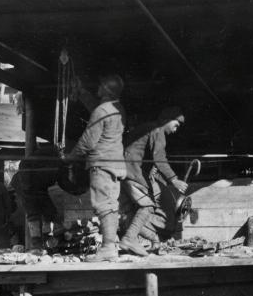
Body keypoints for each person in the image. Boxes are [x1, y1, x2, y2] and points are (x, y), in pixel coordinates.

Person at [64, 74, 127, 261]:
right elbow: (97, 110)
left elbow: (88, 141)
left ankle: (108, 248)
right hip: (116, 163)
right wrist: (82, 92)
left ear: (106, 90)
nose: (97, 88)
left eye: (100, 85)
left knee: (103, 206)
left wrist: (70, 156)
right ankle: (111, 246)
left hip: (101, 164)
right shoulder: (117, 108)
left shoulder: (102, 111)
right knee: (111, 205)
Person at [119, 107, 189, 256]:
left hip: (120, 171)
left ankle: (153, 240)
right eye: (175, 125)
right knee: (148, 205)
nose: (175, 130)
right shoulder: (158, 130)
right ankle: (129, 239)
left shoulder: (147, 128)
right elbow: (159, 158)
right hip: (131, 171)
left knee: (129, 215)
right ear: (166, 120)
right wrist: (174, 180)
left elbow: (138, 150)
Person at [10, 145, 64, 249]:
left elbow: (62, 182)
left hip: (39, 187)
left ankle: (49, 238)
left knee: (50, 211)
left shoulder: (60, 164)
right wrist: (28, 187)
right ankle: (37, 245)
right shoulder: (49, 152)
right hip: (24, 185)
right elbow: (24, 164)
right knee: (33, 214)